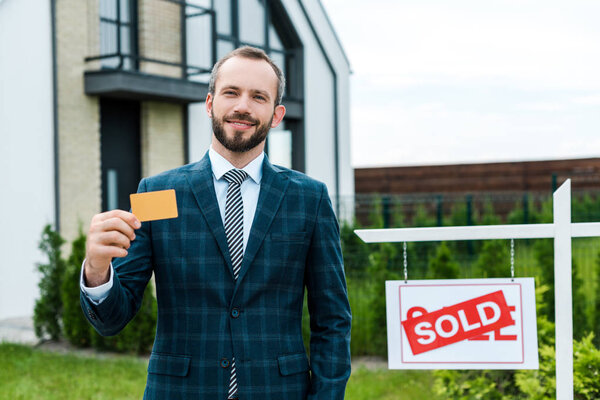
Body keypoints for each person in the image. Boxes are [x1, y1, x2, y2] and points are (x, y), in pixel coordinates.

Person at [80, 46, 352, 400]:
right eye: (231, 92)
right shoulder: (158, 192)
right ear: (210, 103)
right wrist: (98, 271)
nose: (243, 106)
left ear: (276, 114)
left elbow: (332, 322)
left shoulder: (309, 199)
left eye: (258, 97)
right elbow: (113, 320)